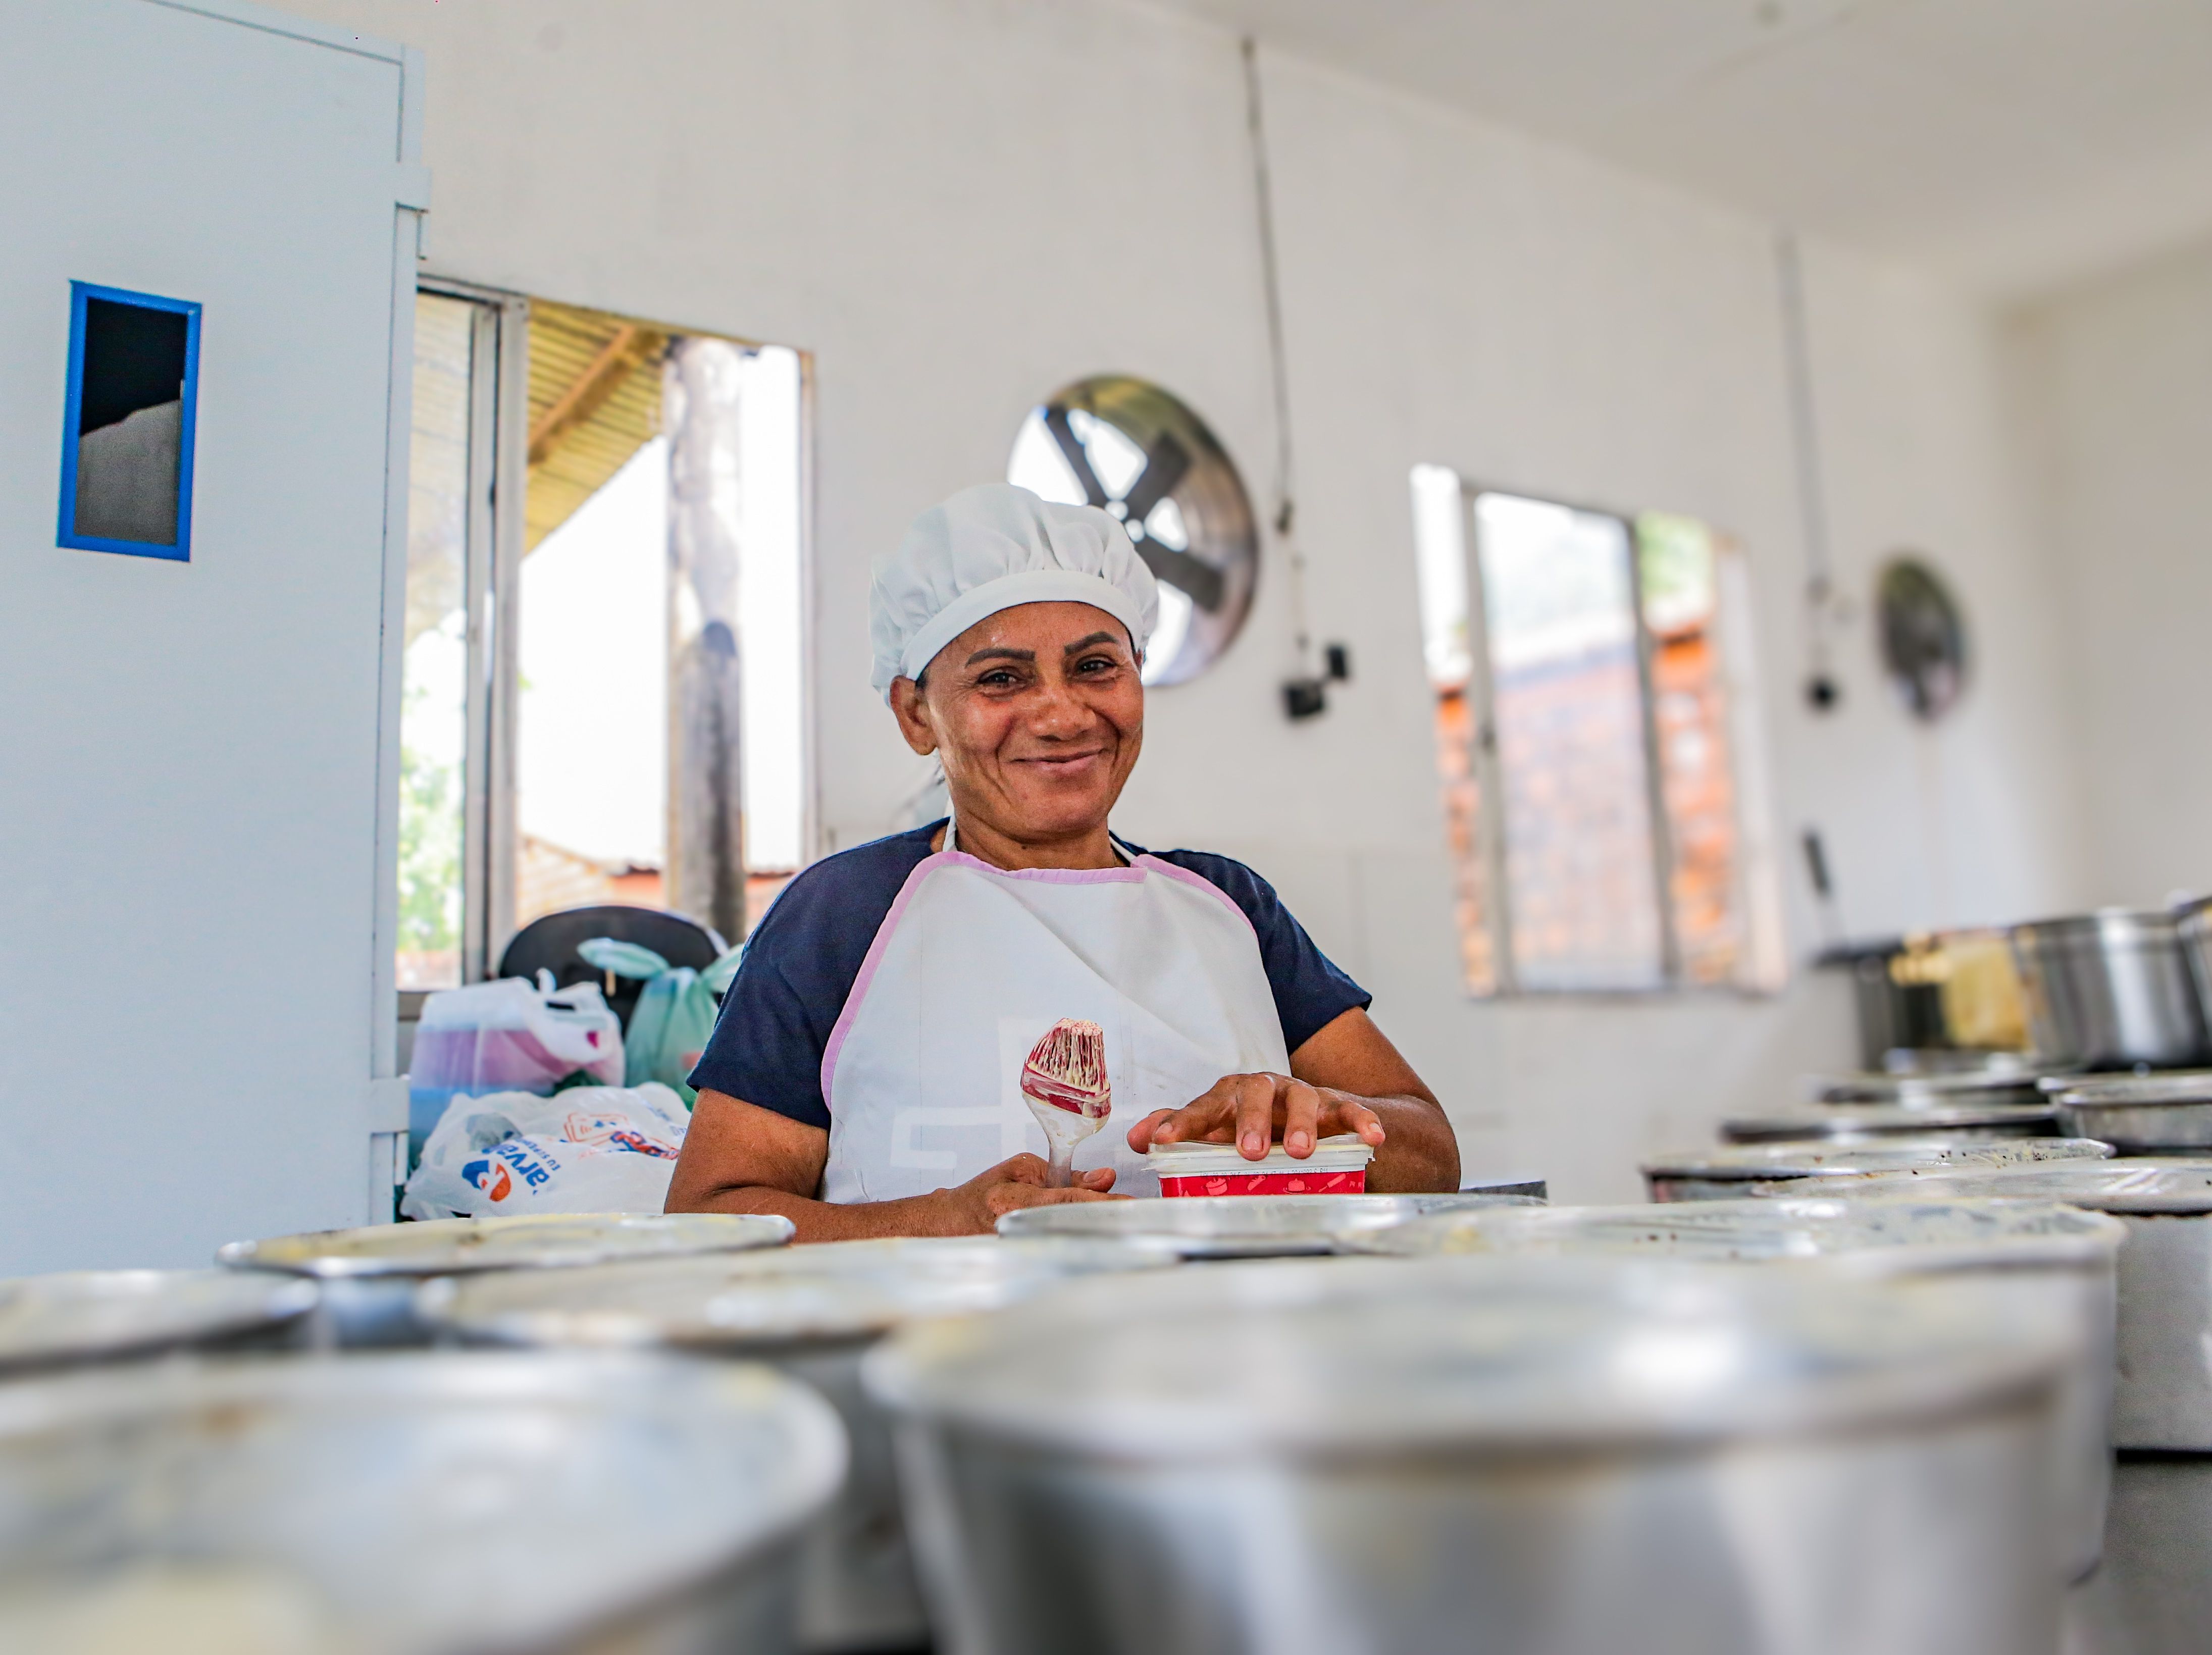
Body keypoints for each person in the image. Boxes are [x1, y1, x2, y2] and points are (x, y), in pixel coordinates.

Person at [665, 484, 1459, 1238]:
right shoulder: (844, 911)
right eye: (1002, 678)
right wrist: (939, 1221)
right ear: (916, 713)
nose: (1060, 713)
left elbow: (1432, 1155)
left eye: (1094, 666)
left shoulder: (1226, 906)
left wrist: (1320, 1116)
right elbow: (710, 1213)